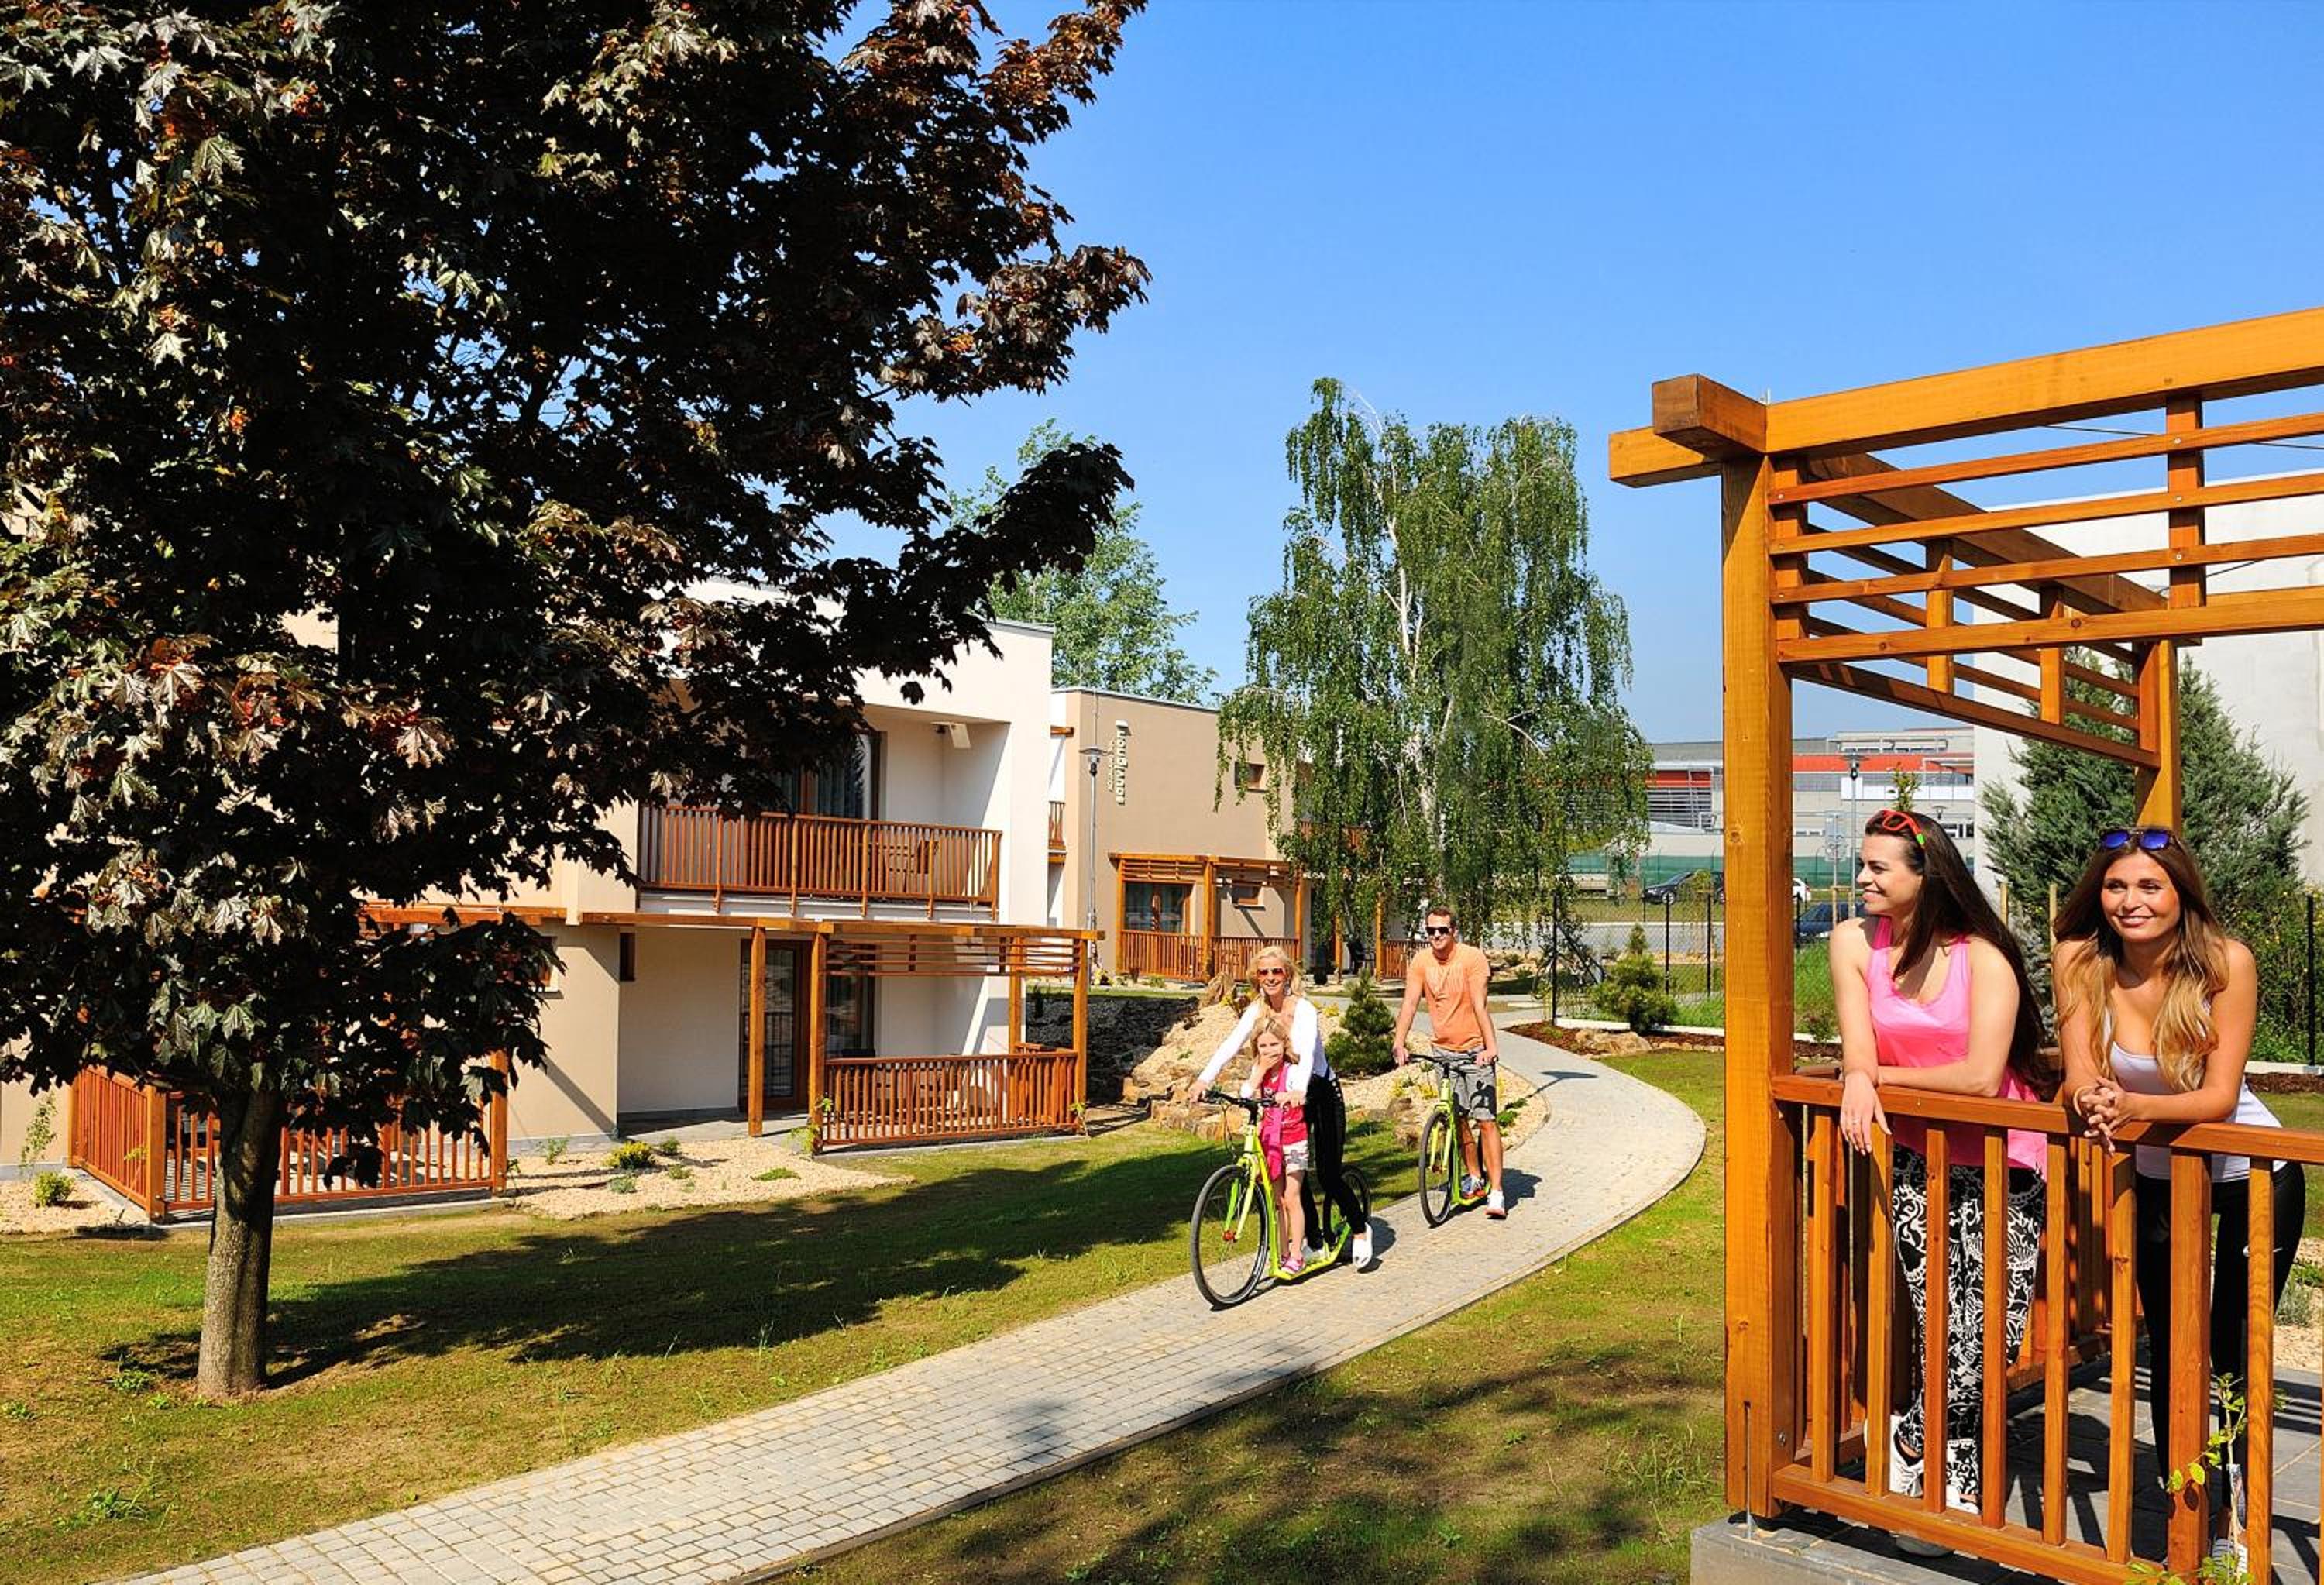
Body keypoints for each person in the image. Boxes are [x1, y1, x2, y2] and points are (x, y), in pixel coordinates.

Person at [2056, 825, 2300, 1571]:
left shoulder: (2225, 962)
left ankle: (2241, 1515)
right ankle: (2188, 1512)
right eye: (2116, 885)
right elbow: (2077, 1076)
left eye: (2149, 886)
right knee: (2170, 1348)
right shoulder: (2078, 960)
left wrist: (2126, 1105)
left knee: (2234, 1348)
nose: (2130, 901)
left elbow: (2219, 1097)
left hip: (2252, 1176)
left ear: (2181, 892)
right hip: (2162, 1178)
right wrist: (2089, 1098)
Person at [1832, 808, 2051, 1547]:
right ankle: (1952, 1470)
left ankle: (1919, 1437)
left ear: (1926, 877)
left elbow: (1983, 1078)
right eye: (1864, 864)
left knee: (1989, 1331)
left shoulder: (1983, 957)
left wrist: (1873, 1079)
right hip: (1919, 1160)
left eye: (1878, 867)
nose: (1863, 878)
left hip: (2005, 1158)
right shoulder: (1853, 943)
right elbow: (1857, 1048)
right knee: (1937, 1319)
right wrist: (1857, 1073)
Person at [1184, 945, 1374, 1268]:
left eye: (1277, 971)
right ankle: (1314, 1241)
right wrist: (1204, 1079)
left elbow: (1306, 1052)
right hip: (1284, 1094)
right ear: (1255, 977)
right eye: (1264, 972)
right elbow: (1231, 1045)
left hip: (1318, 1091)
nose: (1271, 977)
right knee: (1291, 1174)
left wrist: (1298, 1089)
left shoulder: (1304, 1010)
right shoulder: (1256, 1010)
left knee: (1328, 1174)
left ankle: (1359, 1229)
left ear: (1288, 974)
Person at [1392, 906, 1505, 1219]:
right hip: (1443, 1052)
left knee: (1485, 1119)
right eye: (1431, 931)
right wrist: (1399, 1042)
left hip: (1475, 1051)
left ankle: (1497, 1191)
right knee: (1458, 1118)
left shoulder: (1472, 959)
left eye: (1443, 930)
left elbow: (1480, 1005)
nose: (1437, 936)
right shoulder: (1421, 962)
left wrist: (1490, 1047)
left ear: (1453, 931)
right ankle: (1475, 1176)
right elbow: (1410, 1004)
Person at [1247, 1019, 1310, 1274]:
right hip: (1270, 1142)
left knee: (1292, 1197)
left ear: (1284, 1045)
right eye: (1263, 1046)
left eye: (1274, 1044)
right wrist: (1260, 1071)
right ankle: (1282, 1252)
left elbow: (1300, 1091)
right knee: (1277, 1200)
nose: (1269, 1051)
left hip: (1294, 1139)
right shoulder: (1259, 1071)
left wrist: (1293, 1096)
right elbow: (1245, 1093)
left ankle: (1297, 1254)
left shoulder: (1291, 1071)